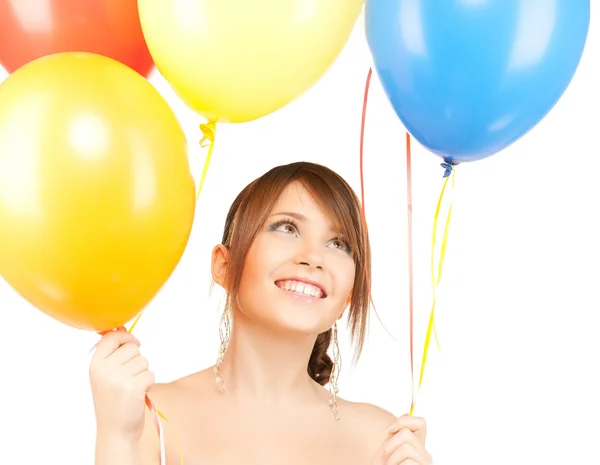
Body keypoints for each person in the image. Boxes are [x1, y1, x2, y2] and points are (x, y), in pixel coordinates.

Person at [90, 162, 434, 465]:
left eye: (338, 244)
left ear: (347, 295)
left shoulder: (381, 439)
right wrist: (116, 439)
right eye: (287, 228)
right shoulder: (149, 415)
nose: (314, 257)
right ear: (224, 265)